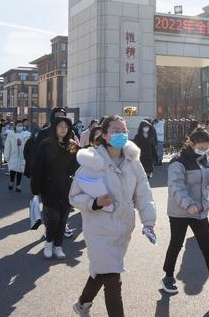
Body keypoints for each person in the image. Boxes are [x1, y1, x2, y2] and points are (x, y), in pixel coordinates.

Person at [70, 115, 156, 316]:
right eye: (116, 131)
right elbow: (73, 196)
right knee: (112, 278)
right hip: (98, 229)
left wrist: (149, 222)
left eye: (124, 131)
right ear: (104, 134)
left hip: (123, 227)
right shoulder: (91, 161)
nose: (121, 135)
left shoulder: (133, 161)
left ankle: (82, 303)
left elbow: (143, 193)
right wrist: (95, 202)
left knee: (104, 270)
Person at [161, 127, 209, 301]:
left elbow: (205, 181)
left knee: (208, 247)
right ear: (191, 143)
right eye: (201, 147)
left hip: (199, 211)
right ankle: (168, 276)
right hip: (180, 211)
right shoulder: (178, 162)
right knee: (176, 244)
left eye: (206, 148)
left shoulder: (202, 159)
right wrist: (188, 204)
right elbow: (176, 187)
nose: (203, 151)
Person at [32, 117, 79, 260]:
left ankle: (58, 246)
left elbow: (76, 165)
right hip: (48, 187)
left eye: (66, 126)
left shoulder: (72, 145)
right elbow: (38, 167)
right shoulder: (46, 144)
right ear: (54, 128)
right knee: (53, 217)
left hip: (66, 187)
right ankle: (48, 243)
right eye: (60, 126)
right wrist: (35, 188)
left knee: (63, 217)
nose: (63, 128)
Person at [4, 120, 30, 192]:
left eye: (21, 125)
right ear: (15, 126)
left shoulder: (26, 135)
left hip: (22, 155)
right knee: (13, 170)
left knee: (20, 170)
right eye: (18, 125)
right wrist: (6, 155)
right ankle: (11, 182)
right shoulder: (11, 134)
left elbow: (28, 146)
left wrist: (28, 156)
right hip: (13, 155)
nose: (20, 127)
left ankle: (18, 185)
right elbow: (7, 145)